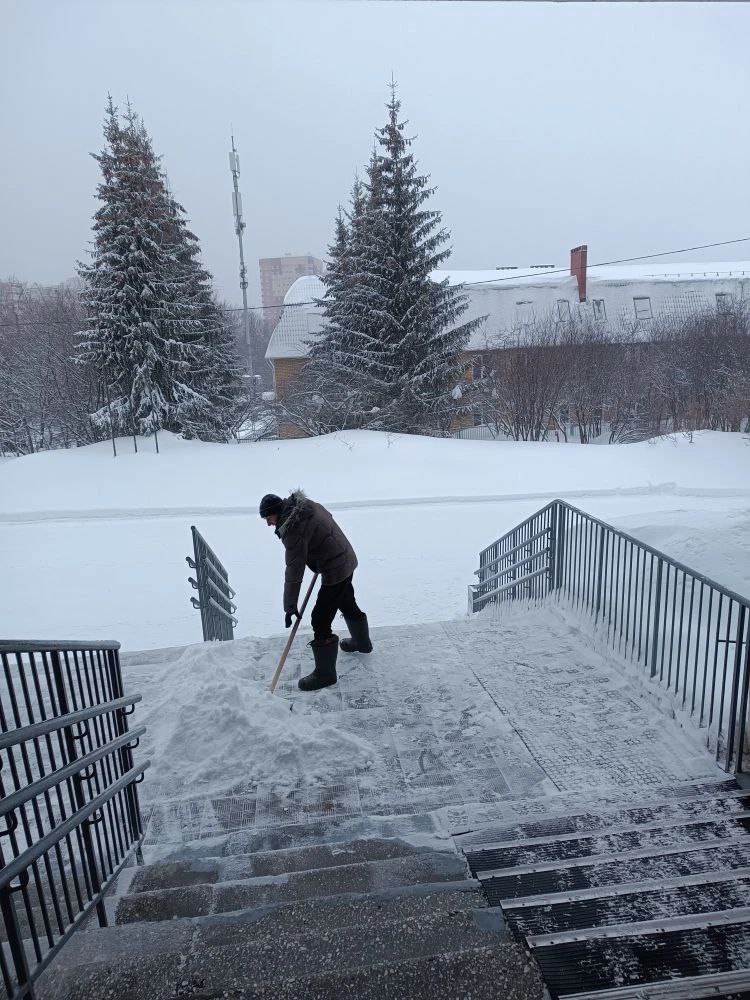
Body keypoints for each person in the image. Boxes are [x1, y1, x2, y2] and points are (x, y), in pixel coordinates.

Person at [259, 490, 372, 691]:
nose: (268, 523)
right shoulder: (305, 505)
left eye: (269, 518)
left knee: (320, 619)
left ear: (277, 511)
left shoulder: (293, 528)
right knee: (346, 602)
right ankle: (362, 643)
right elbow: (327, 518)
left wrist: (290, 606)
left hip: (336, 567)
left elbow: (294, 570)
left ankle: (325, 674)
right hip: (346, 556)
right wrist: (320, 552)